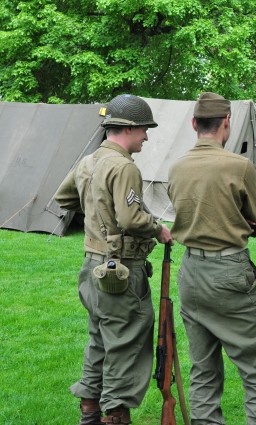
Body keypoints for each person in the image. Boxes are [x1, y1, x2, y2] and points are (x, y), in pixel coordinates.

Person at [54, 94, 173, 425]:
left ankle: (90, 410)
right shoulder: (124, 167)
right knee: (127, 340)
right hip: (121, 270)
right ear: (130, 128)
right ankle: (117, 415)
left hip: (92, 265)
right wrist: (159, 229)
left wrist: (97, 212)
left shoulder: (89, 161)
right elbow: (133, 218)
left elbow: (63, 197)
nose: (147, 137)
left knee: (99, 337)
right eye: (145, 130)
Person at [167, 92, 256, 425]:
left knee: (203, 369)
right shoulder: (239, 166)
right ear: (227, 123)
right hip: (228, 271)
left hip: (191, 272)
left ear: (193, 124)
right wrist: (236, 220)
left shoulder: (177, 168)